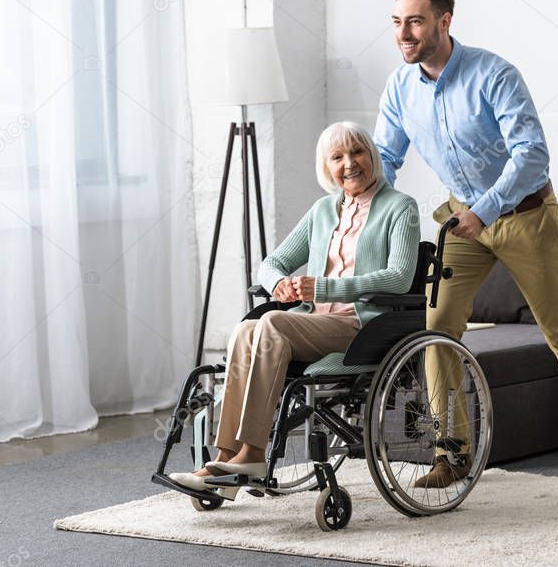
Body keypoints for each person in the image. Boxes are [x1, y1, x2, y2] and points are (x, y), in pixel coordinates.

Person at [374, 0, 558, 484]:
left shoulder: (493, 74)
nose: (404, 33)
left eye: (415, 21)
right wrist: (367, 212)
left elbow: (532, 155)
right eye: (397, 22)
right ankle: (453, 452)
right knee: (436, 328)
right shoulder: (399, 87)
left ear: (444, 21)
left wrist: (486, 210)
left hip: (526, 216)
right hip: (463, 222)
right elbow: (387, 159)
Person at [170, 121, 419, 492]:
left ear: (372, 155)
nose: (349, 163)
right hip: (313, 322)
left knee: (271, 322)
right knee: (246, 329)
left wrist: (324, 287)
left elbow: (398, 277)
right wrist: (280, 284)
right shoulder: (323, 210)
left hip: (360, 326)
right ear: (327, 167)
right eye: (337, 157)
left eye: (357, 152)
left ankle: (252, 452)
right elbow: (272, 263)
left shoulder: (400, 208)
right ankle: (227, 456)